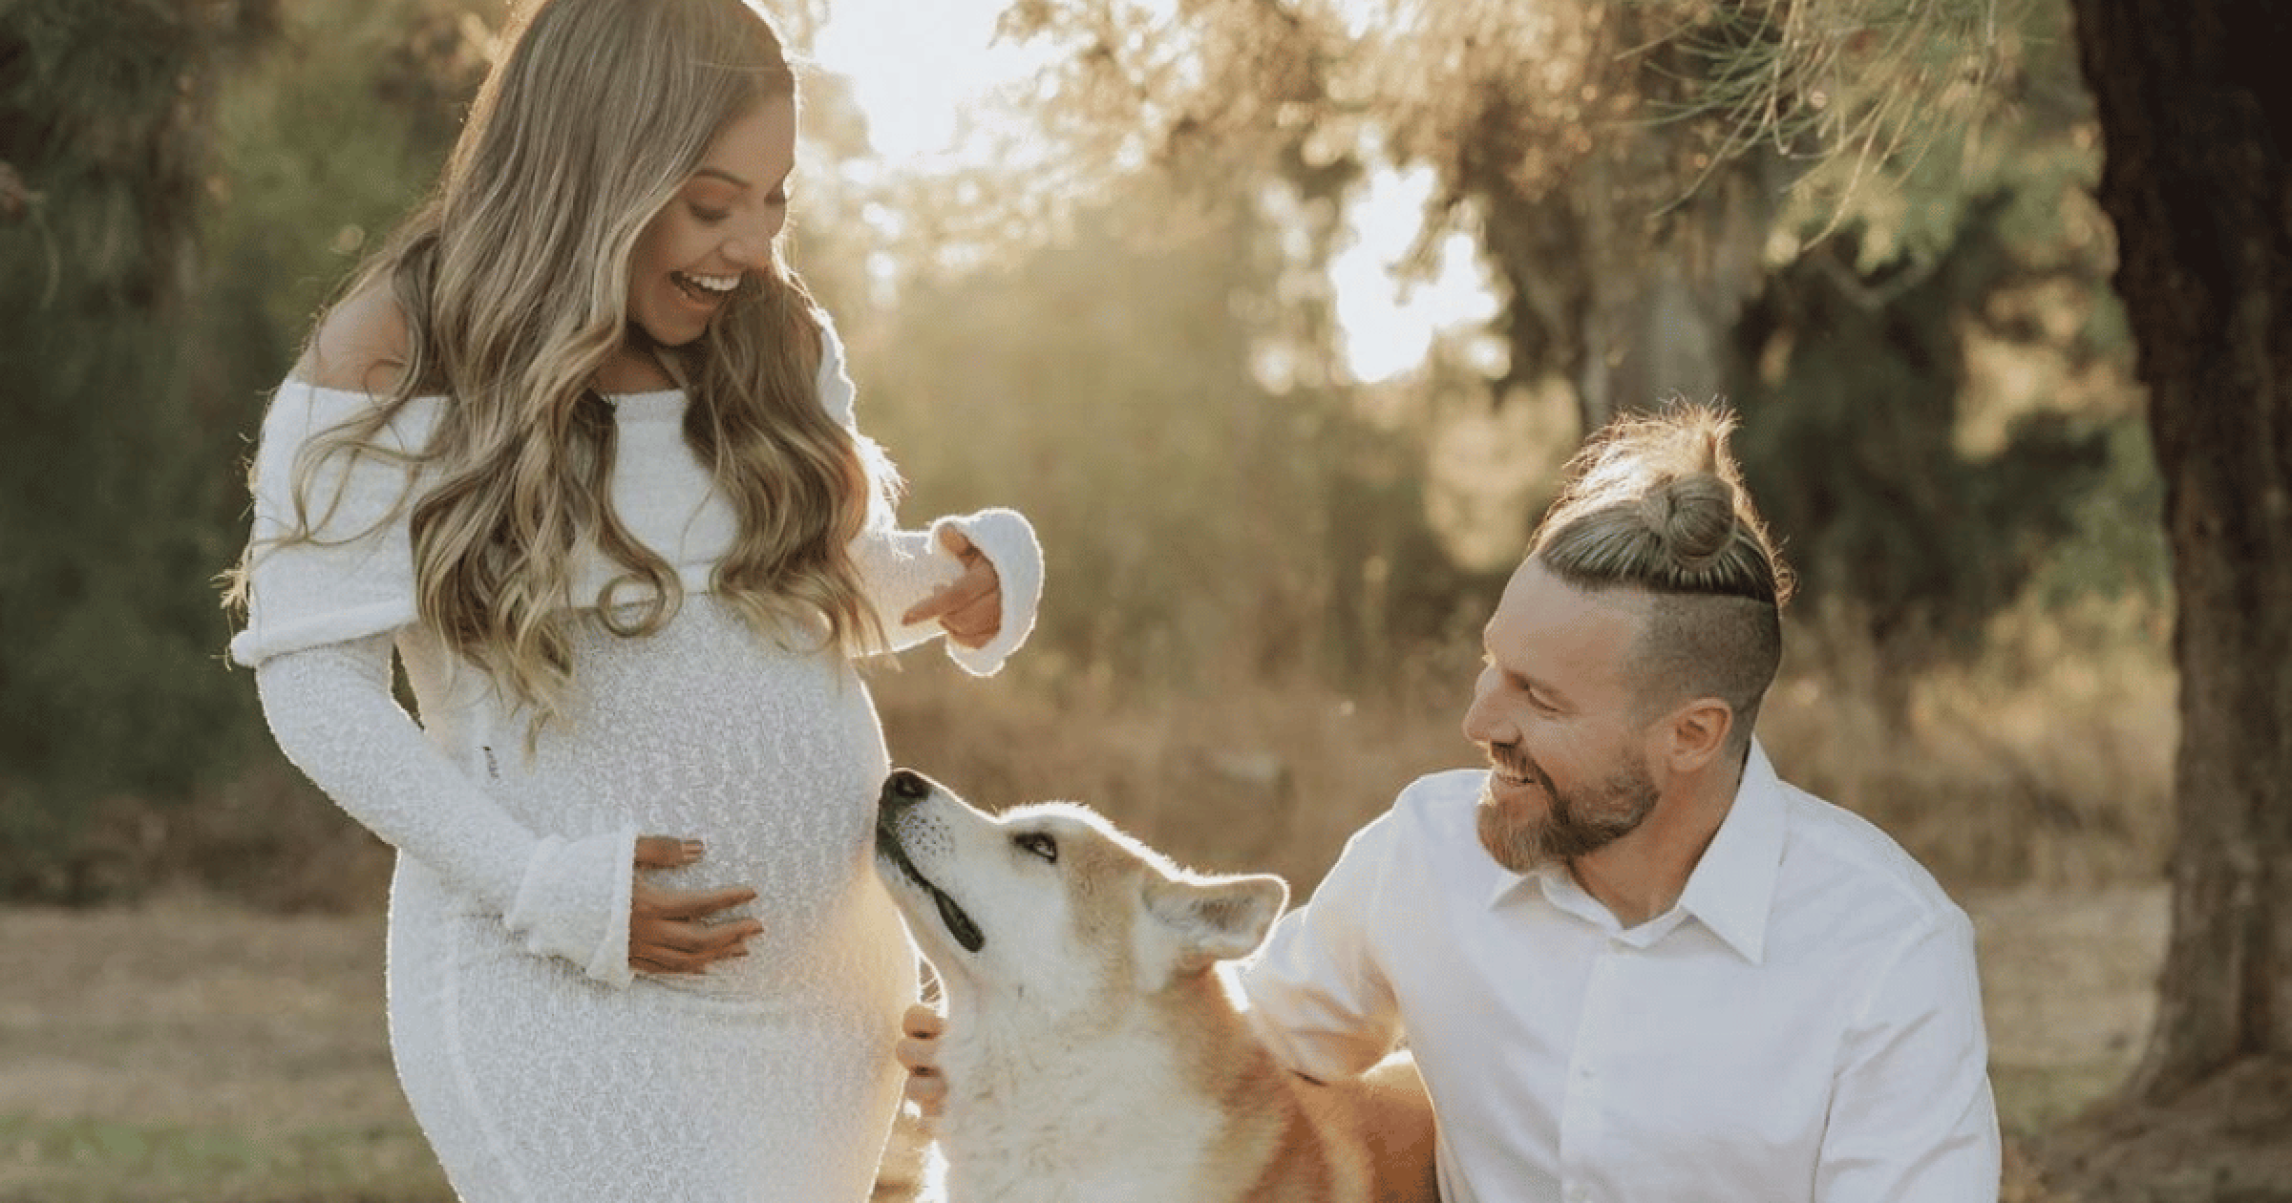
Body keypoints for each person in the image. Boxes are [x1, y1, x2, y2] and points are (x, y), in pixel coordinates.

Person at [221, 1, 1043, 1199]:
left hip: (826, 1009)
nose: (752, 246)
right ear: (591, 167)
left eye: (776, 200)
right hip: (557, 984)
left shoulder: (771, 339)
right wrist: (540, 887)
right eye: (713, 202)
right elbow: (318, 695)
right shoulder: (393, 355)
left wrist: (965, 577)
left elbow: (799, 590)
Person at [900, 403, 1998, 1201]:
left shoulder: (1888, 953)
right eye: (1491, 665)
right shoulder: (1422, 852)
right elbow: (1244, 1050)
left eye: (1540, 697)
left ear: (1692, 735)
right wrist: (1016, 1067)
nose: (1481, 720)